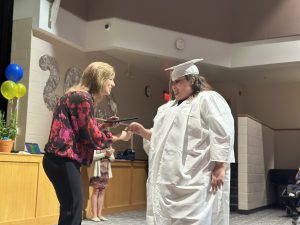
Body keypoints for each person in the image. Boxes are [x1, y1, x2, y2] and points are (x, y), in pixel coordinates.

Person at [128, 59, 235, 225]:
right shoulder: (166, 108)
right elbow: (159, 138)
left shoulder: (206, 100)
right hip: (167, 180)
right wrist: (143, 132)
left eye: (178, 82)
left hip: (195, 177)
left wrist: (220, 165)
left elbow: (221, 131)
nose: (174, 87)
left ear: (192, 80)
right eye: (172, 83)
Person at [43, 62, 127, 225]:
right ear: (101, 79)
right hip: (63, 160)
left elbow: (80, 130)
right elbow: (92, 138)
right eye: (111, 78)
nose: (113, 83)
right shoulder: (83, 98)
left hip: (56, 160)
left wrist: (104, 126)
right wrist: (118, 136)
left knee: (69, 210)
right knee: (73, 211)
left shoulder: (75, 95)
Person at [89, 131, 131, 222]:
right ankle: (94, 215)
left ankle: (100, 214)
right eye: (106, 139)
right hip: (97, 172)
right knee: (95, 191)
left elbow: (112, 159)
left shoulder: (109, 146)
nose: (108, 141)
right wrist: (104, 154)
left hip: (105, 172)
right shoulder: (95, 145)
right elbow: (92, 157)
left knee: (102, 192)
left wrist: (109, 154)